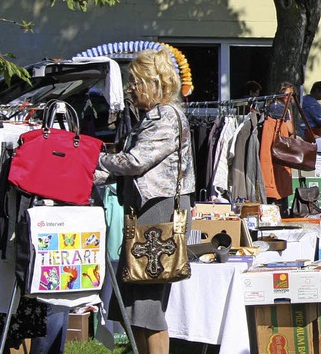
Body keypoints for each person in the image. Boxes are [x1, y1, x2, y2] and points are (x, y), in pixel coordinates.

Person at [95, 48, 195, 354]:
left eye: (135, 82)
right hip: (148, 211)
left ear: (155, 83)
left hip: (159, 213)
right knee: (134, 301)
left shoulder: (166, 116)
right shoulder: (153, 117)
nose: (130, 89)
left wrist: (92, 160)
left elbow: (137, 161)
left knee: (146, 303)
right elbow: (130, 168)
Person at [260, 82, 295, 217]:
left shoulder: (271, 106)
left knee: (274, 179)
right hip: (279, 150)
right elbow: (290, 129)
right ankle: (280, 213)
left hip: (273, 149)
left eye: (291, 95)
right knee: (278, 180)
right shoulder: (280, 109)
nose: (290, 98)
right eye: (287, 95)